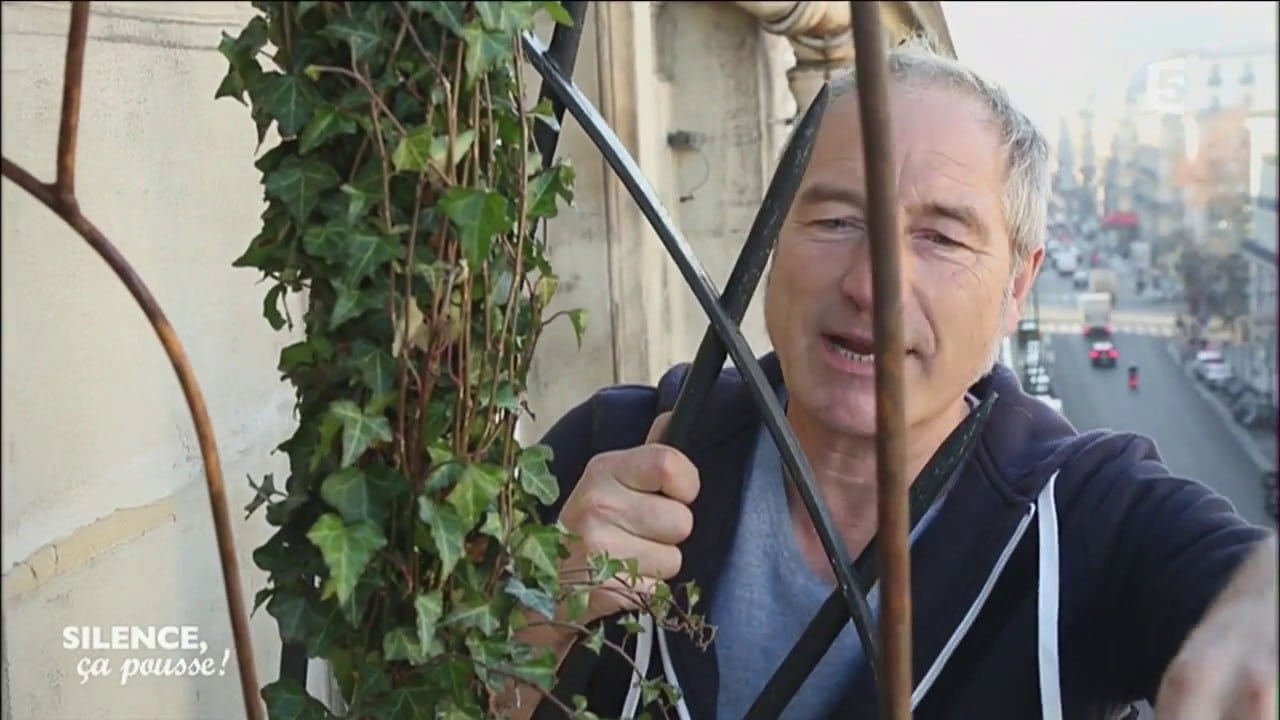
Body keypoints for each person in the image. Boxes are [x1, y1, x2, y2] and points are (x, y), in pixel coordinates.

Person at [505, 38, 1278, 720]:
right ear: (773, 237)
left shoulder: (1088, 521)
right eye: (837, 220)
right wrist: (538, 617)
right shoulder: (611, 454)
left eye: (941, 237)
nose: (871, 285)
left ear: (1018, 285)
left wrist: (1260, 603)